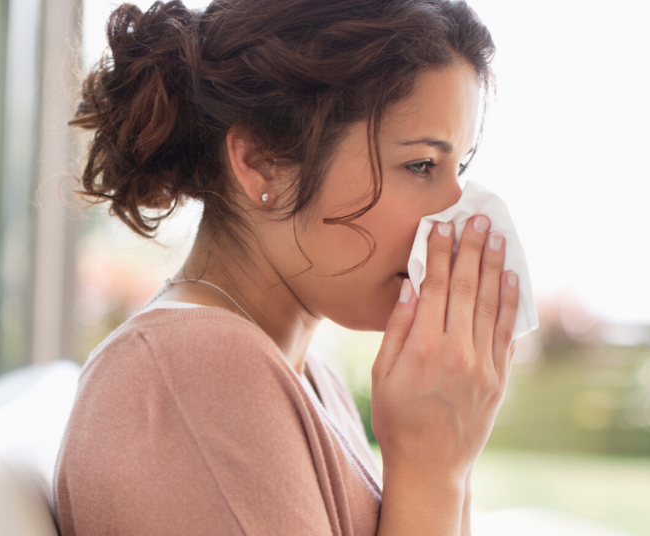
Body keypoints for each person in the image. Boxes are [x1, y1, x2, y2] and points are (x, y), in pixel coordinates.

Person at [52, 0, 519, 534]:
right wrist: (432, 469)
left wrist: (448, 456)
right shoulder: (198, 366)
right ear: (260, 162)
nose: (453, 215)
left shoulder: (305, 370)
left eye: (457, 168)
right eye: (420, 165)